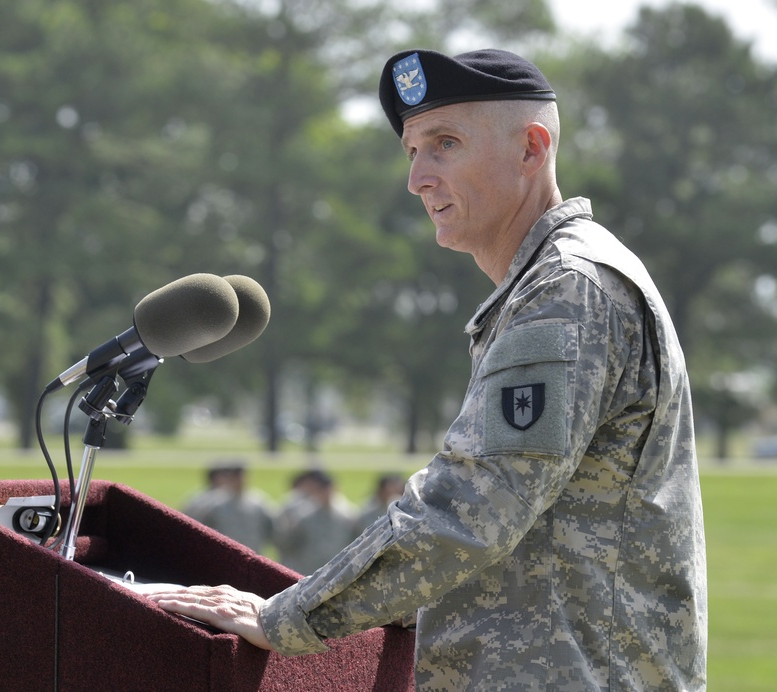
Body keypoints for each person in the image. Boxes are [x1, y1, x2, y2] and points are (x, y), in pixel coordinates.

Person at [136, 48, 708, 690]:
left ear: (531, 148)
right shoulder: (553, 285)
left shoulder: (566, 291)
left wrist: (286, 618)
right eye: (412, 151)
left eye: (446, 144)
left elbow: (472, 508)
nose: (418, 178)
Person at [272, 468, 358, 574]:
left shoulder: (345, 515)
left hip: (336, 570)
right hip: (308, 569)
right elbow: (290, 543)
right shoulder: (304, 516)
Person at [182, 461, 274, 554]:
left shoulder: (258, 502)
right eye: (236, 477)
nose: (240, 481)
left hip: (252, 553)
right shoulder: (214, 502)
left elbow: (272, 529)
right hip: (221, 555)